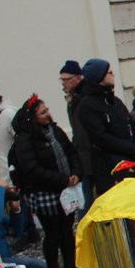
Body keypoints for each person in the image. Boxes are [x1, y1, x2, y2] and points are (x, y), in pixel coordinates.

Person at [11, 93, 81, 268]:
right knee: (52, 234)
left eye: (47, 110)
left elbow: (70, 152)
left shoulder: (55, 130)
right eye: (43, 112)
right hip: (44, 194)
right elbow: (32, 170)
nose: (47, 114)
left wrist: (76, 172)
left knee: (67, 232)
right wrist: (62, 179)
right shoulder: (24, 140)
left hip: (65, 191)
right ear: (33, 117)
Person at [75, 59, 135, 195]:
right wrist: (131, 148)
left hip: (130, 160)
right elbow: (100, 138)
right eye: (109, 72)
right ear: (99, 76)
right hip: (109, 167)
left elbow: (131, 123)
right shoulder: (87, 105)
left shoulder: (114, 101)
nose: (113, 75)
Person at [61, 59, 94, 211]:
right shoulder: (72, 99)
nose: (64, 83)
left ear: (78, 77)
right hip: (82, 155)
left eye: (67, 80)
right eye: (62, 80)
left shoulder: (84, 98)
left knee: (89, 200)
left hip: (91, 156)